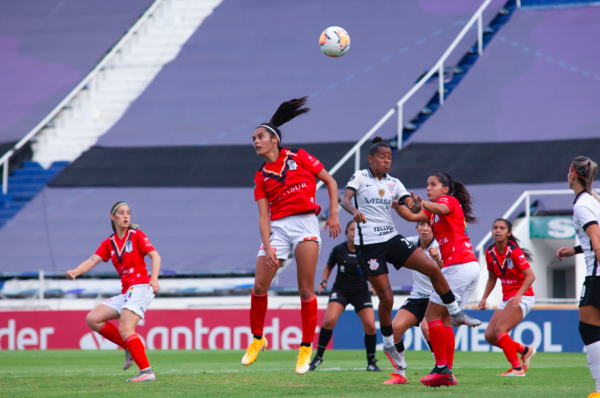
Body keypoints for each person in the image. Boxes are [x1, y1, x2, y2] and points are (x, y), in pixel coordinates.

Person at [341, 138, 481, 388]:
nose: (386, 160)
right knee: (387, 300)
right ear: (371, 159)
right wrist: (356, 211)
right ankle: (391, 349)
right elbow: (349, 200)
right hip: (370, 246)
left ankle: (449, 344)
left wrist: (413, 203)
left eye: (389, 157)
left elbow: (412, 204)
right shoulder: (360, 177)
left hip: (394, 241)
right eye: (382, 156)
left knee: (430, 269)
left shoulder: (399, 184)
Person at [243, 97, 341, 375]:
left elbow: (330, 181)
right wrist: (267, 245)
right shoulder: (261, 176)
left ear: (274, 139)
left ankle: (305, 348)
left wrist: (333, 214)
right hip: (278, 229)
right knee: (260, 285)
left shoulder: (299, 156)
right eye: (253, 139)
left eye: (260, 137)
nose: (255, 142)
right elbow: (263, 216)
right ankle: (258, 339)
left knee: (305, 290)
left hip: (306, 225)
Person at [395, 172, 481, 387]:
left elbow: (441, 209)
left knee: (432, 315)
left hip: (458, 268)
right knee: (443, 320)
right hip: (468, 267)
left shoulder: (447, 201)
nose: (428, 188)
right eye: (427, 185)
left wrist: (421, 203)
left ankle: (442, 369)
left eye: (433, 184)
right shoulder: (433, 214)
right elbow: (411, 217)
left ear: (445, 189)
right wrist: (396, 204)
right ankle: (447, 372)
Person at [66, 202, 161, 382]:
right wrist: (75, 272)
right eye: (121, 213)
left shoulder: (137, 235)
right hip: (127, 291)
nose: (126, 216)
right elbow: (92, 260)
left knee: (126, 327)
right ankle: (129, 347)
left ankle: (147, 371)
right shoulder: (109, 242)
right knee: (93, 319)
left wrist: (154, 278)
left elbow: (155, 255)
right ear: (113, 217)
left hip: (141, 286)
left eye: (128, 213)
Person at [309, 220, 380, 372]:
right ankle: (318, 357)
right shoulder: (338, 250)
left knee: (370, 326)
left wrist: (374, 284)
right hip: (341, 290)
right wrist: (323, 281)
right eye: (352, 229)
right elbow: (328, 266)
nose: (354, 232)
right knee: (329, 321)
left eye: (357, 229)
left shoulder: (366, 251)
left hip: (361, 292)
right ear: (346, 233)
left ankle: (371, 362)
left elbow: (374, 270)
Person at [556, 156, 600, 398]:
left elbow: (597, 238)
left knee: (589, 329)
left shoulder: (583, 204)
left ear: (573, 174)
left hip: (597, 274)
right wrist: (575, 250)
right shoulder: (594, 199)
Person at [384, 221, 442, 385]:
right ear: (416, 228)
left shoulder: (439, 246)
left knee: (426, 328)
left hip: (436, 297)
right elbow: (387, 250)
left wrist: (438, 259)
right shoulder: (410, 243)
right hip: (418, 297)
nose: (425, 228)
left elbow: (449, 272)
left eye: (429, 225)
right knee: (394, 329)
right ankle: (400, 375)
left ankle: (442, 370)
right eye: (421, 225)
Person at [479, 218, 536, 377]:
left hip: (523, 296)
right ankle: (525, 350)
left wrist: (519, 294)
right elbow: (492, 277)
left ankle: (517, 369)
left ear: (509, 233)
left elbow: (530, 276)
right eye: (495, 228)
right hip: (507, 298)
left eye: (502, 228)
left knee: (500, 329)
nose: (498, 231)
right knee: (490, 336)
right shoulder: (490, 252)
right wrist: (484, 298)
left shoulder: (514, 251)